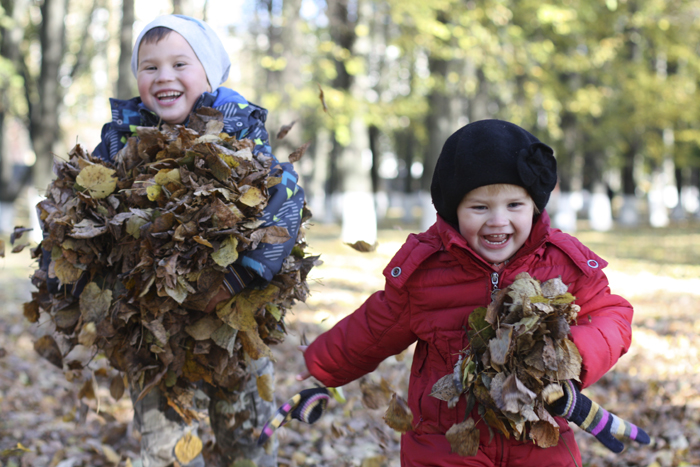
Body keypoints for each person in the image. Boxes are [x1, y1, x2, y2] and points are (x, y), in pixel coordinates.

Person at [297, 120, 648, 465]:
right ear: (454, 210)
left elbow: (611, 316)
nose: (497, 220)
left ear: (535, 206)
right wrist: (322, 368)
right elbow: (375, 327)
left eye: (514, 205)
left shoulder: (562, 261)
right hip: (446, 440)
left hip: (538, 436)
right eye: (480, 207)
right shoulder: (427, 269)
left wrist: (572, 357)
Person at [90, 14, 304, 467]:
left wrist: (238, 278)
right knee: (167, 449)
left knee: (245, 440)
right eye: (149, 67)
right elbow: (81, 213)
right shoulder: (118, 140)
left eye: (179, 64)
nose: (163, 76)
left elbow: (283, 199)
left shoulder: (239, 130)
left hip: (231, 320)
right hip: (152, 331)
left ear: (208, 73)